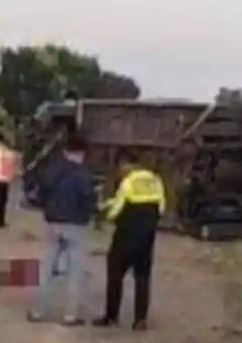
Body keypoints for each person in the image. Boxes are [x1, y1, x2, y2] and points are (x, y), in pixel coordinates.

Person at [28, 133, 94, 326]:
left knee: (46, 268)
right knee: (75, 271)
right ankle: (70, 315)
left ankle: (38, 311)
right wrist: (89, 215)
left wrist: (46, 208)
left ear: (65, 151)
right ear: (84, 152)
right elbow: (88, 199)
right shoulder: (84, 173)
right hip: (76, 225)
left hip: (53, 223)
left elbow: (41, 193)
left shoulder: (53, 170)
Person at [95, 152, 166, 330]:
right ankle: (140, 319)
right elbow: (162, 208)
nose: (119, 172)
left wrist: (106, 216)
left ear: (125, 164)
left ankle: (111, 316)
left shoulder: (128, 182)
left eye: (120, 167)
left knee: (115, 274)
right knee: (142, 277)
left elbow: (117, 209)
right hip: (147, 236)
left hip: (126, 235)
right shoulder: (155, 180)